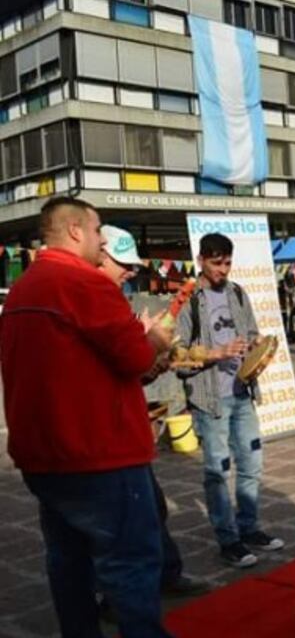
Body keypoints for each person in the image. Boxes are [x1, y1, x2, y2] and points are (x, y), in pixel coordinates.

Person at [0, 197, 174, 637]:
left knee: (68, 562)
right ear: (76, 230)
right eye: (98, 232)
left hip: (44, 454)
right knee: (130, 565)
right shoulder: (83, 283)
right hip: (101, 453)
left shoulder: (23, 287)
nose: (101, 242)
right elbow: (134, 357)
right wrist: (153, 338)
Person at [98, 225, 210, 602]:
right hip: (103, 438)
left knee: (151, 507)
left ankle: (165, 574)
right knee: (116, 524)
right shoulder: (89, 304)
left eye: (132, 265)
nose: (130, 273)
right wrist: (151, 349)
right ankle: (121, 598)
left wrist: (152, 359)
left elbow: (132, 369)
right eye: (122, 264)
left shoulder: (112, 302)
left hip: (128, 429)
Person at [176, 233, 284, 567]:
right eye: (216, 262)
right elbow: (176, 356)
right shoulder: (187, 299)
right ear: (201, 260)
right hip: (211, 399)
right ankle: (228, 540)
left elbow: (250, 333)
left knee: (252, 464)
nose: (223, 269)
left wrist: (256, 347)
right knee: (217, 471)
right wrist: (216, 352)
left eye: (227, 262)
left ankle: (249, 528)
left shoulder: (238, 292)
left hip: (242, 392)